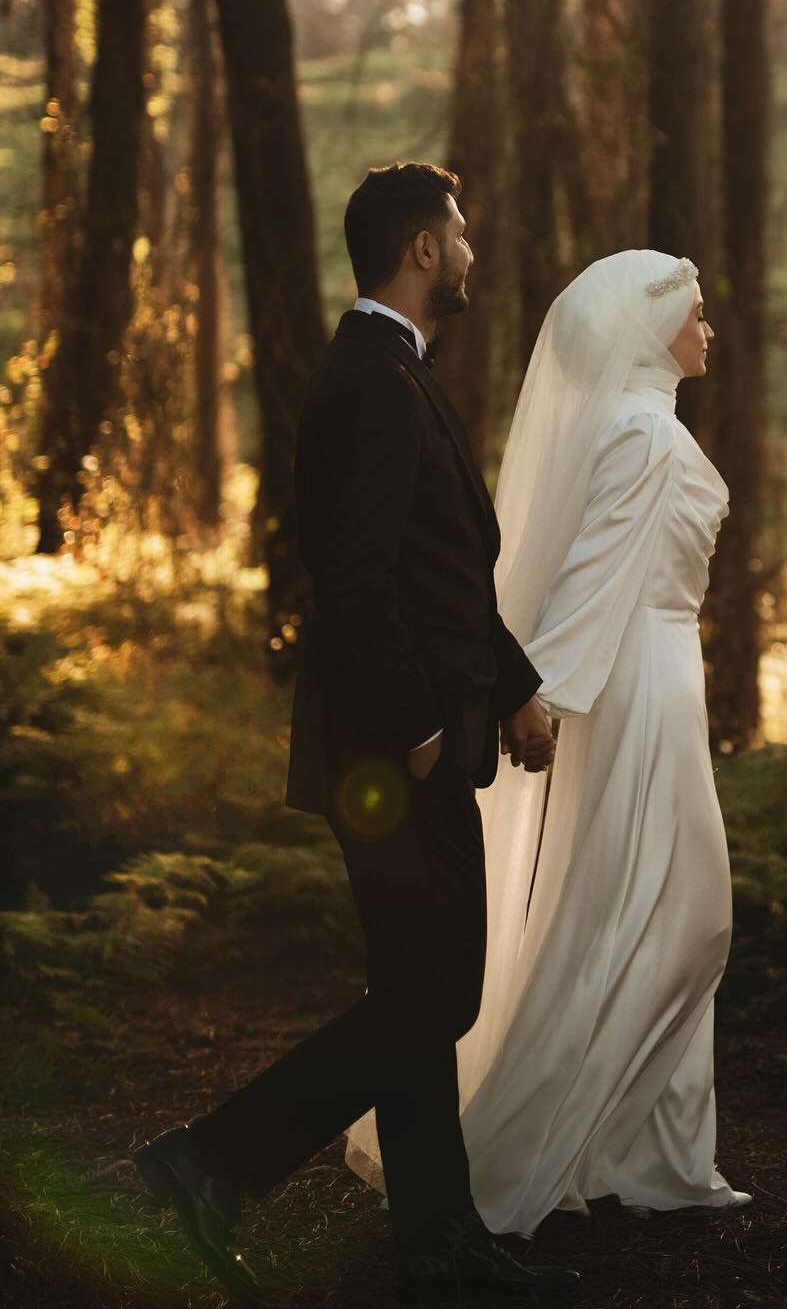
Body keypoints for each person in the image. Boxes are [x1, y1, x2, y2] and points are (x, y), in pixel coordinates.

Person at [132, 164, 579, 1306]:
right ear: (422, 250)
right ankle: (208, 1162)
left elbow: (440, 578)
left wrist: (515, 687)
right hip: (394, 753)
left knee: (420, 992)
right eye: (463, 233)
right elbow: (359, 580)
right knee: (436, 996)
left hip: (421, 738)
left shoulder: (396, 374)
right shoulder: (375, 384)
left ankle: (438, 1243)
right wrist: (425, 726)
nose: (473, 252)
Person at [347, 248, 752, 1235]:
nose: (707, 330)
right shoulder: (641, 436)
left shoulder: (639, 423)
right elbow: (588, 581)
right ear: (645, 331)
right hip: (633, 687)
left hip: (657, 671)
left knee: (642, 915)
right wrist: (542, 699)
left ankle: (640, 1151)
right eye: (694, 314)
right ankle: (528, 1145)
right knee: (668, 916)